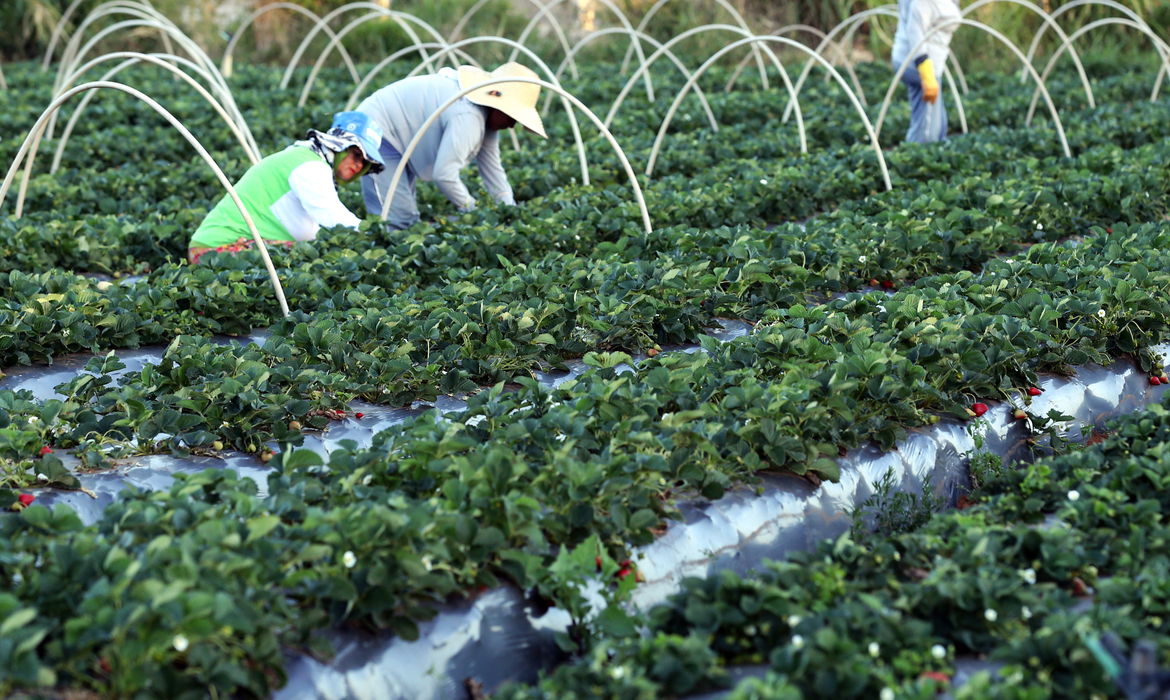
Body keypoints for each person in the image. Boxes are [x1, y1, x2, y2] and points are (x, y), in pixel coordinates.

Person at [356, 62, 547, 229]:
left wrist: (508, 209)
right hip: (376, 130)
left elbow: (493, 169)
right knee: (396, 220)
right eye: (512, 116)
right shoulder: (468, 117)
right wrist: (473, 210)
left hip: (399, 134)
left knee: (404, 217)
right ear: (497, 106)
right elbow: (444, 175)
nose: (512, 125)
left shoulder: (485, 118)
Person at [187, 111, 386, 264]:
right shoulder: (310, 165)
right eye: (356, 154)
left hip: (216, 248)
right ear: (339, 146)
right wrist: (377, 236)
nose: (359, 164)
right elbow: (331, 217)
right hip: (216, 250)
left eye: (365, 161)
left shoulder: (306, 158)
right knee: (308, 259)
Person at [891, 0, 961, 144]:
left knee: (938, 124)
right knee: (928, 132)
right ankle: (915, 155)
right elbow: (915, 31)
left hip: (920, 63)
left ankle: (928, 151)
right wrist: (925, 69)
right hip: (918, 65)